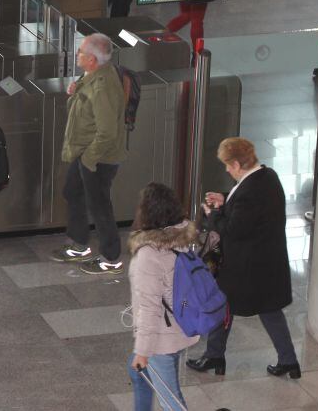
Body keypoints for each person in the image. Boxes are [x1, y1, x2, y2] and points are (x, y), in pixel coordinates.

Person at [187, 137, 300, 379]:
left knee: (222, 305)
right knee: (270, 309)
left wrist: (213, 213)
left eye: (228, 165)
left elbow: (234, 229)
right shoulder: (268, 177)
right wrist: (226, 199)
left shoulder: (250, 191)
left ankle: (214, 355)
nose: (227, 170)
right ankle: (289, 361)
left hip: (245, 267)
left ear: (238, 164)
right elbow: (248, 206)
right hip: (266, 262)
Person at [50, 33, 127, 275]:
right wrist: (77, 89)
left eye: (81, 51)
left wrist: (89, 159)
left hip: (98, 158)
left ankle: (111, 258)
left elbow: (107, 132)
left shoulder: (103, 87)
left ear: (92, 59)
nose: (77, 55)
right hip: (87, 153)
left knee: (99, 205)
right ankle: (79, 244)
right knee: (72, 191)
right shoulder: (94, 76)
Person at [127, 183, 200, 411]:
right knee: (138, 375)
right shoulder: (183, 238)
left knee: (171, 400)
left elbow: (150, 309)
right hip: (179, 326)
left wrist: (143, 351)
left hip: (160, 337)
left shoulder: (149, 254)